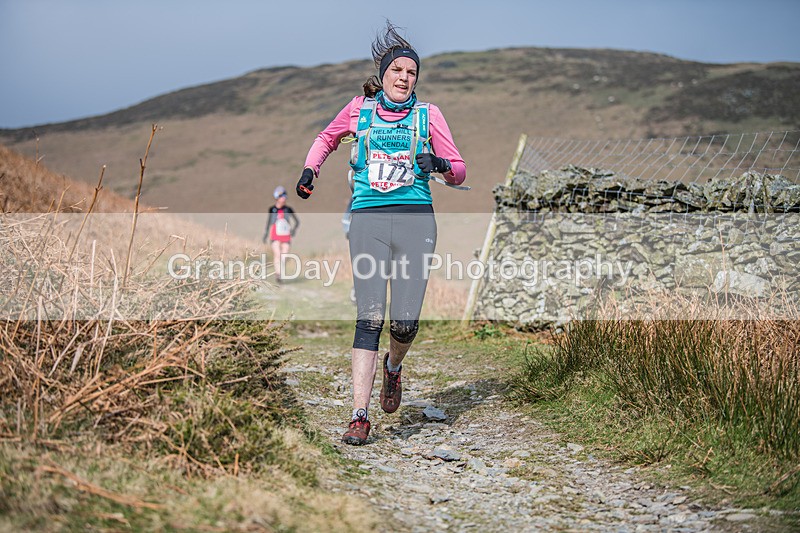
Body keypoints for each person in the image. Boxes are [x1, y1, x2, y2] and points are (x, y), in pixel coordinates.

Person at [295, 22, 467, 445]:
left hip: (416, 220)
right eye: (398, 71)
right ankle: (359, 415)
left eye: (412, 73)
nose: (405, 78)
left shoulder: (429, 115)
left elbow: (460, 171)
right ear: (384, 73)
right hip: (368, 218)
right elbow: (327, 137)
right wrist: (310, 170)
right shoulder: (359, 109)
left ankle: (393, 367)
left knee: (404, 323)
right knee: (369, 317)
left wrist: (439, 165)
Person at [263, 185, 299, 282]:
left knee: (284, 255)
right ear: (277, 197)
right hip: (275, 234)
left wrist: (293, 230)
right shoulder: (272, 210)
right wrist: (266, 234)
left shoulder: (288, 209)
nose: (284, 198)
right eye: (282, 196)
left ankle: (280, 272)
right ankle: (278, 274)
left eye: (284, 196)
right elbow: (268, 222)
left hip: (286, 234)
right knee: (277, 254)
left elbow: (297, 221)